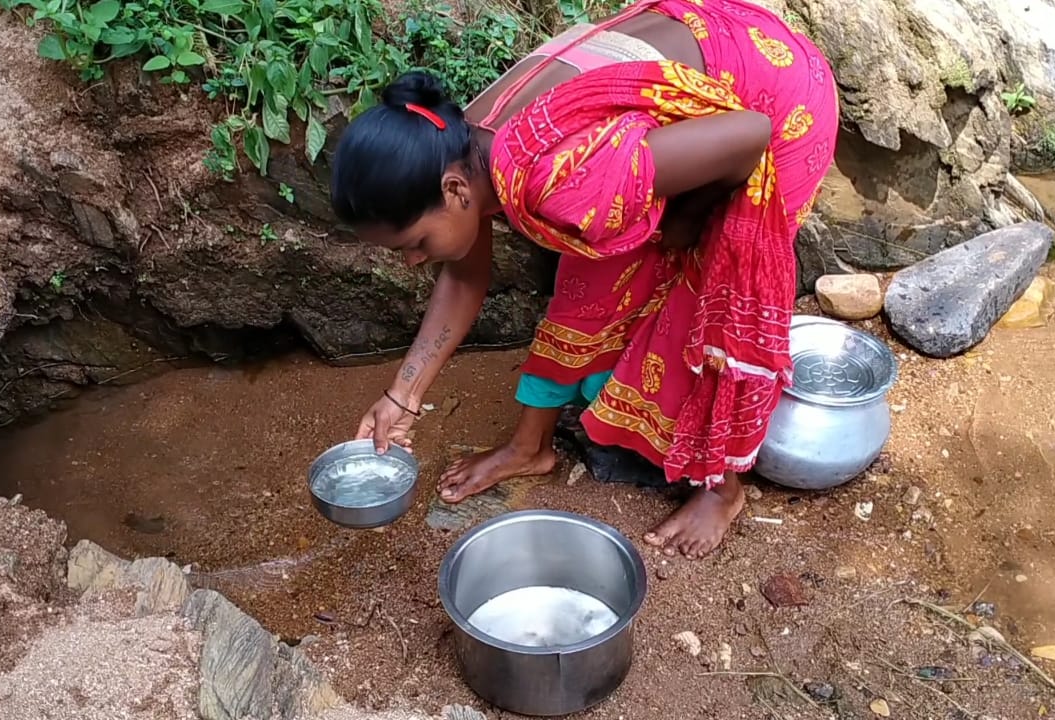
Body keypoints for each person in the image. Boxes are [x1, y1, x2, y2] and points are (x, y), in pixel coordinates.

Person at [330, 0, 837, 559]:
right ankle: (531, 447)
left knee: (709, 289)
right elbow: (464, 275)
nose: (412, 262)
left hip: (776, 100)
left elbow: (751, 133)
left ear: (454, 191)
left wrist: (686, 221)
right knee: (589, 271)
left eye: (415, 244)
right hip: (705, 75)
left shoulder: (554, 180)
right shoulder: (460, 142)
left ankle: (722, 490)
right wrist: (402, 396)